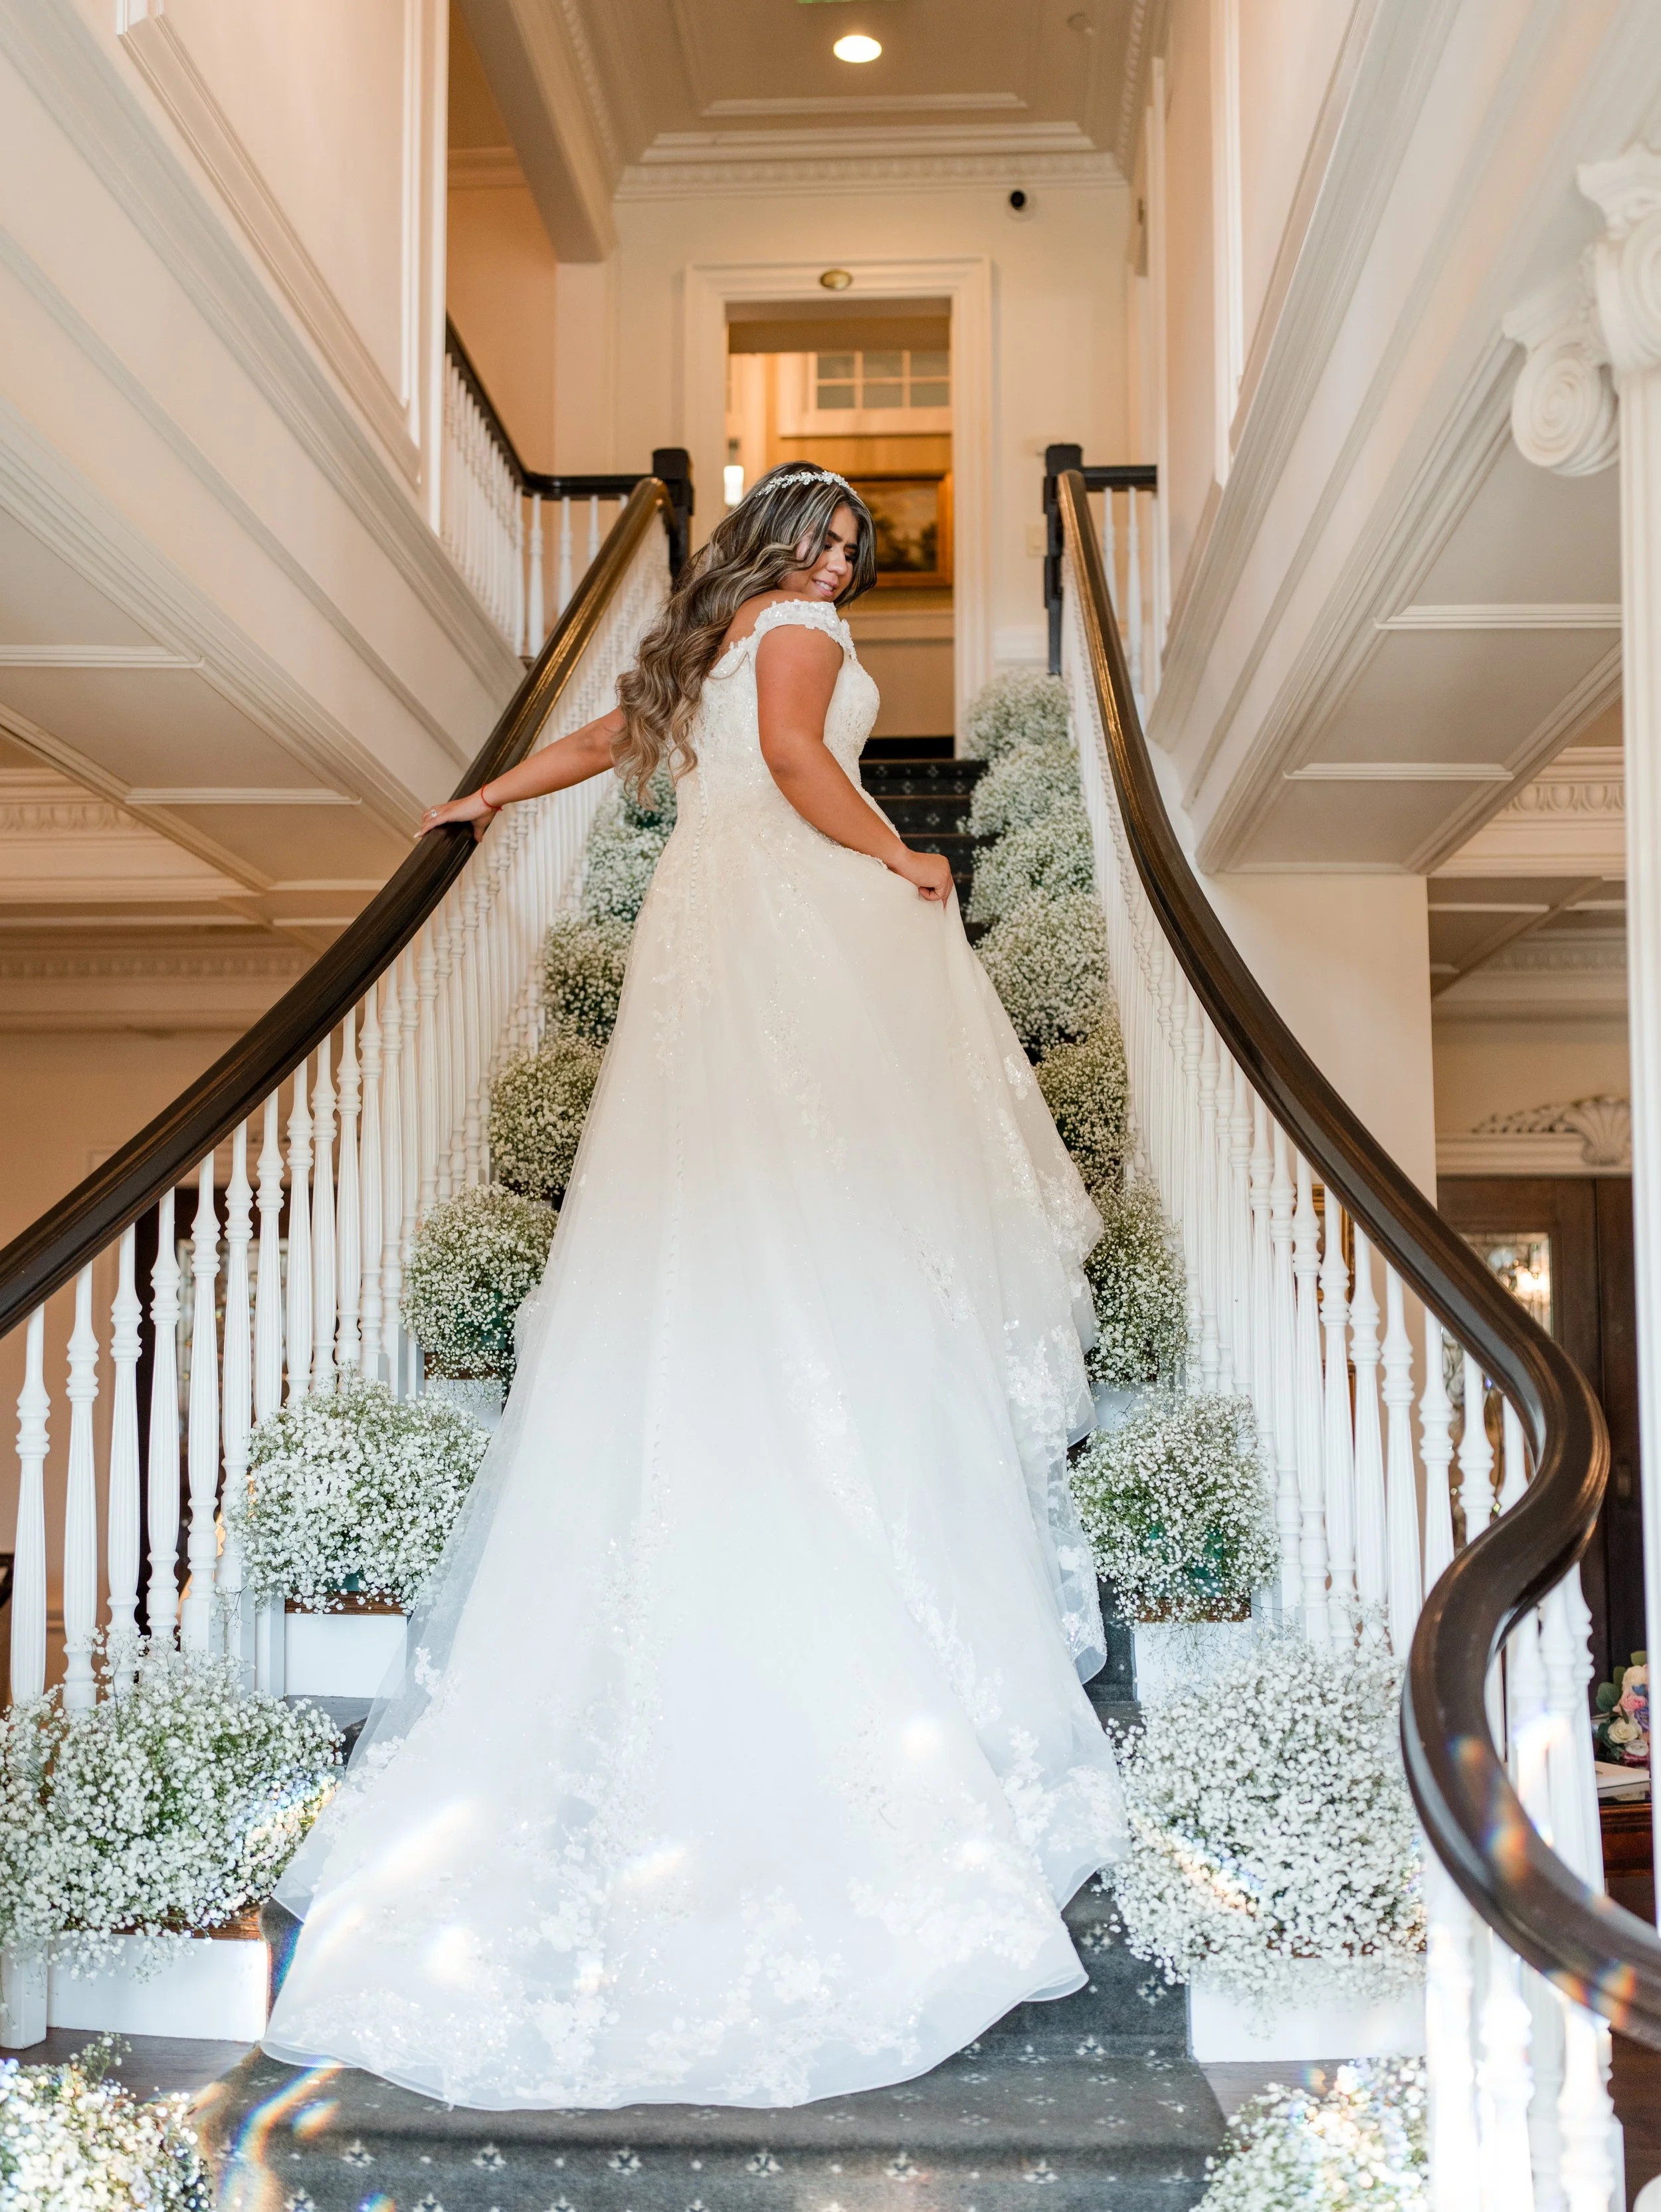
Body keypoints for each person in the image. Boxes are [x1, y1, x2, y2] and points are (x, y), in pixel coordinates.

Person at [262, 463, 1125, 2112]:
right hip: (789, 910)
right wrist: (906, 860)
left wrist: (486, 798)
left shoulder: (702, 641)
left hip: (701, 923)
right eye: (832, 536)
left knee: (718, 1180)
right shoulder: (788, 632)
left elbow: (607, 748)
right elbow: (802, 767)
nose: (843, 561)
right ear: (784, 547)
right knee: (823, 1169)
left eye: (856, 545)